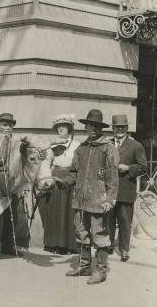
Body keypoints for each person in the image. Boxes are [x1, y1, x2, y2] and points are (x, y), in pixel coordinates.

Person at [56, 109, 119, 285]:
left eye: (95, 126)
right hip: (80, 200)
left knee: (100, 235)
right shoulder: (81, 149)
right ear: (85, 127)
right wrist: (61, 182)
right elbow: (74, 173)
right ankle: (84, 266)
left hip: (99, 201)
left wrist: (110, 199)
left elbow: (113, 178)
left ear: (100, 128)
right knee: (81, 234)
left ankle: (100, 270)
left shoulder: (108, 149)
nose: (91, 128)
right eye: (89, 125)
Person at [0, 113, 30, 259]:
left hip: (13, 183)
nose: (7, 128)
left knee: (12, 218)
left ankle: (8, 246)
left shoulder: (17, 142)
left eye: (10, 125)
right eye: (4, 125)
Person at [38, 114, 80, 254]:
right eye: (59, 126)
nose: (61, 129)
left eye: (64, 126)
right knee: (53, 211)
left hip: (69, 179)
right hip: (54, 178)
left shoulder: (76, 145)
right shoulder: (51, 145)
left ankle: (68, 245)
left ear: (69, 128)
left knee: (68, 212)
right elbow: (45, 163)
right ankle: (53, 244)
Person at [109, 114, 147, 262]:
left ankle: (124, 249)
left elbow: (143, 167)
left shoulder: (135, 145)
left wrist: (128, 168)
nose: (119, 130)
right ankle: (109, 245)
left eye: (122, 127)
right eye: (117, 127)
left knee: (125, 221)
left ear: (126, 128)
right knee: (109, 219)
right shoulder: (107, 144)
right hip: (109, 190)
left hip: (126, 189)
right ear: (113, 128)